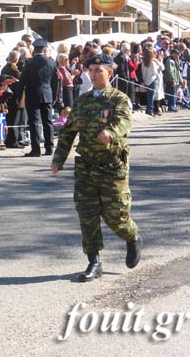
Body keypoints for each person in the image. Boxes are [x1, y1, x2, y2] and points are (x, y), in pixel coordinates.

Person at [51, 53, 141, 282]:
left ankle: (132, 237)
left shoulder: (119, 99)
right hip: (86, 167)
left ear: (109, 73)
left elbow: (123, 122)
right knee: (87, 215)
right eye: (90, 70)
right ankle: (94, 261)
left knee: (116, 216)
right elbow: (69, 132)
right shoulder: (82, 101)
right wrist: (58, 159)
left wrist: (110, 133)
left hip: (112, 166)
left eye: (98, 70)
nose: (93, 73)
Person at [20, 38, 59, 157]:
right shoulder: (51, 62)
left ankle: (36, 149)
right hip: (47, 93)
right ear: (44, 49)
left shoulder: (29, 63)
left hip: (33, 94)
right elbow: (55, 81)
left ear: (34, 49)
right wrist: (54, 96)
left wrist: (18, 94)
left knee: (34, 122)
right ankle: (49, 147)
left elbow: (23, 80)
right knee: (48, 122)